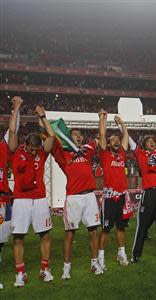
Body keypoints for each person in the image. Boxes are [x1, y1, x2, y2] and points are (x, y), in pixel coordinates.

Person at [50, 122, 103, 279]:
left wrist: (101, 118)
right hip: (73, 198)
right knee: (70, 234)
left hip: (89, 197)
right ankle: (66, 268)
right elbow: (52, 137)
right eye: (75, 134)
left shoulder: (86, 151)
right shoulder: (62, 155)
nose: (79, 136)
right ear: (67, 138)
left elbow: (100, 137)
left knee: (93, 231)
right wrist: (43, 118)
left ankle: (94, 263)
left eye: (80, 134)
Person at [10, 104, 55, 287]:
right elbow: (12, 131)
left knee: (45, 235)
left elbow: (51, 136)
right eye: (31, 149)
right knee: (19, 237)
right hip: (21, 200)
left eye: (37, 150)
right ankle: (20, 274)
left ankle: (45, 270)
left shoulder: (41, 154)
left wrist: (43, 117)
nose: (34, 152)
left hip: (40, 199)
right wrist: (16, 109)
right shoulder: (16, 151)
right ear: (25, 144)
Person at [131, 109, 156, 262]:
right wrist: (122, 126)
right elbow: (131, 143)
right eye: (149, 142)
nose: (152, 142)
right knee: (143, 225)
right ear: (144, 146)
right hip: (148, 193)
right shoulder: (140, 154)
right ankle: (136, 255)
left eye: (153, 141)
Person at [97, 110, 131, 269]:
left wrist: (121, 123)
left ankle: (121, 253)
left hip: (122, 197)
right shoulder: (104, 154)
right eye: (113, 140)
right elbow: (102, 135)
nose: (117, 140)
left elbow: (126, 135)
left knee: (121, 227)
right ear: (108, 145)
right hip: (110, 198)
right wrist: (102, 118)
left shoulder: (122, 155)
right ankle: (100, 257)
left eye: (118, 139)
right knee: (105, 229)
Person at [0, 96, 22, 289]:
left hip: (2, 200)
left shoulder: (1, 147)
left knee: (0, 241)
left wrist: (16, 109)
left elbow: (13, 130)